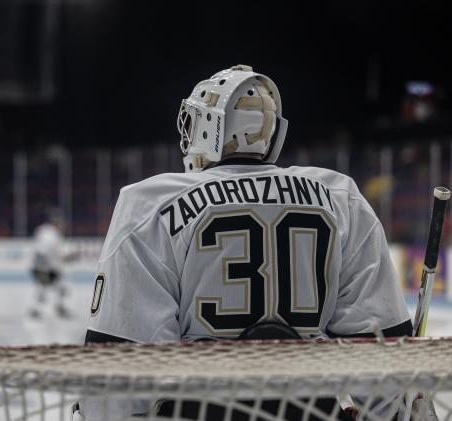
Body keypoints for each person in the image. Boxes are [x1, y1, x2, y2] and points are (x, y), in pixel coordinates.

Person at [76, 65, 412, 420]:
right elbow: (381, 342)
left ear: (210, 126)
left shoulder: (149, 204)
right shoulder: (340, 196)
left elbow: (121, 365)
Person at [29, 208, 76, 318]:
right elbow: (42, 252)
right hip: (45, 269)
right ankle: (38, 310)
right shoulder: (50, 234)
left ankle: (44, 310)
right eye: (60, 221)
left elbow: (57, 255)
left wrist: (67, 257)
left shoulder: (48, 232)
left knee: (55, 289)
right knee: (46, 290)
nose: (62, 224)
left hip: (47, 269)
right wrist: (42, 269)